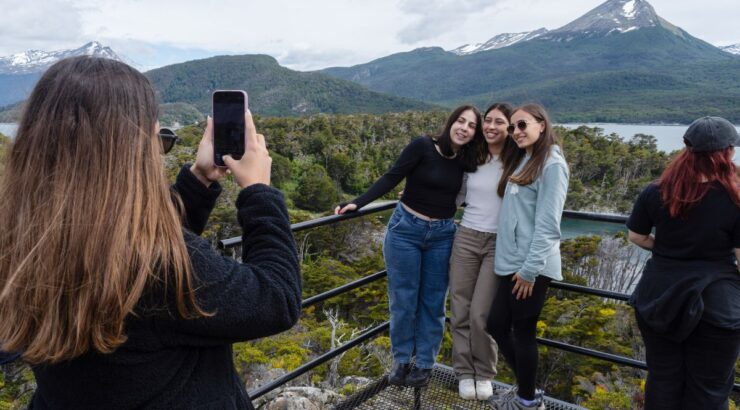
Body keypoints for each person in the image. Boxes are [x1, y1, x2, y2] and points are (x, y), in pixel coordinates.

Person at [0, 56, 302, 409]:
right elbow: (276, 298)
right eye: (157, 138)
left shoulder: (24, 237)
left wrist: (199, 180)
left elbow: (126, 245)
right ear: (131, 149)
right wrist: (258, 191)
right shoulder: (157, 267)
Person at [335, 105, 486, 388]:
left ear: (475, 133)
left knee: (433, 303)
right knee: (403, 300)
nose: (464, 128)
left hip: (442, 235)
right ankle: (402, 359)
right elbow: (392, 176)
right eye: (461, 121)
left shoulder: (467, 160)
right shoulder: (422, 146)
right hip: (405, 231)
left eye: (471, 126)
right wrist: (358, 202)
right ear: (451, 122)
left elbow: (471, 194)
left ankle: (425, 365)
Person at [627, 116, 740, 410]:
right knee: (710, 390)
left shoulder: (657, 190)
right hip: (717, 304)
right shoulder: (735, 197)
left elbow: (636, 236)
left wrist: (665, 249)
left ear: (687, 148)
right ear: (727, 152)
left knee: (663, 380)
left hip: (659, 298)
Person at [487, 103, 569, 410]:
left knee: (522, 333)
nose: (516, 132)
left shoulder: (552, 165)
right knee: (496, 324)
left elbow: (549, 224)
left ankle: (527, 401)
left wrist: (530, 270)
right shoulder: (527, 159)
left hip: (530, 267)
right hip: (513, 263)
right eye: (513, 127)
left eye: (522, 125)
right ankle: (528, 389)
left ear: (541, 125)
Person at [448, 102, 514, 400]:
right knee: (459, 307)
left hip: (498, 242)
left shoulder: (518, 160)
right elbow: (453, 192)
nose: (490, 126)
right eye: (487, 121)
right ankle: (464, 371)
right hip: (467, 237)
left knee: (481, 314)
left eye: (499, 122)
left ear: (510, 127)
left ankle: (484, 372)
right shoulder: (472, 156)